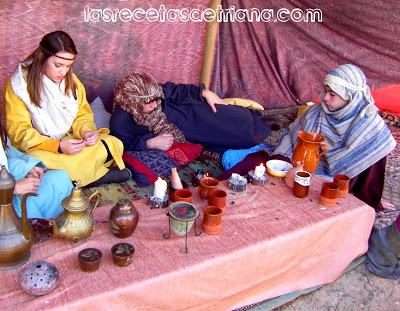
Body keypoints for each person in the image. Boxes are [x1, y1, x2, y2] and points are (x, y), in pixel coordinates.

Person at [219, 64, 396, 210]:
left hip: (332, 179)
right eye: (325, 91)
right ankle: (215, 190)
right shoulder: (316, 113)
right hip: (296, 164)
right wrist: (281, 159)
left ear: (351, 97)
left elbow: (369, 172)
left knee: (308, 199)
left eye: (332, 94)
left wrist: (368, 205)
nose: (325, 98)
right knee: (252, 163)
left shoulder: (369, 126)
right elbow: (290, 136)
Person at [3, 31, 130, 187]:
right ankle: (93, 176)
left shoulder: (72, 81)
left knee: (112, 143)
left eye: (68, 66)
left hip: (70, 141)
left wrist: (86, 132)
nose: (63, 72)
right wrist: (57, 147)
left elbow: (82, 116)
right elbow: (20, 133)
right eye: (58, 65)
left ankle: (74, 180)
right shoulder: (18, 86)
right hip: (41, 148)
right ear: (42, 57)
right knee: (36, 162)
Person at [110, 72, 271, 154]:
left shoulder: (149, 90)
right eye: (148, 103)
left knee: (233, 117)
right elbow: (123, 146)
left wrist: (203, 92)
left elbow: (176, 91)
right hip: (184, 131)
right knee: (244, 138)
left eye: (156, 99)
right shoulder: (120, 122)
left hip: (187, 110)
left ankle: (256, 115)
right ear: (133, 102)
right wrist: (149, 143)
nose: (154, 104)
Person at [0, 120, 72, 219]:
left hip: (10, 181)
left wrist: (28, 167)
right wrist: (14, 189)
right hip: (5, 199)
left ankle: (67, 223)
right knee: (26, 203)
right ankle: (37, 231)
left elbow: (8, 151)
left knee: (59, 178)